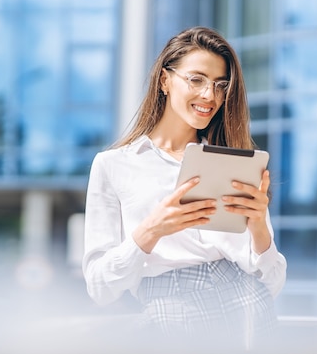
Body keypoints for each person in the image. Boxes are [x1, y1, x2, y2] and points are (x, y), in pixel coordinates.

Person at [82, 26, 287, 349]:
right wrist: (151, 230)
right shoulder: (112, 165)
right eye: (196, 80)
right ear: (165, 81)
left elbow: (271, 283)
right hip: (169, 307)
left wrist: (260, 227)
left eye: (221, 86)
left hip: (246, 301)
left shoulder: (232, 165)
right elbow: (99, 286)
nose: (210, 96)